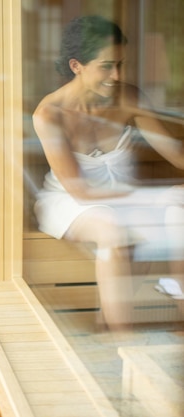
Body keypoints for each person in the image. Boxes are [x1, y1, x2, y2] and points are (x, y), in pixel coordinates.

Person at [32, 15, 184, 330]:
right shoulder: (49, 115)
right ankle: (122, 344)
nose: (116, 75)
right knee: (114, 232)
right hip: (72, 203)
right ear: (77, 66)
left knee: (178, 214)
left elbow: (177, 153)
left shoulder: (128, 97)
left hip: (124, 199)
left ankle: (162, 321)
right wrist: (154, 195)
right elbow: (80, 191)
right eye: (106, 66)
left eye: (120, 64)